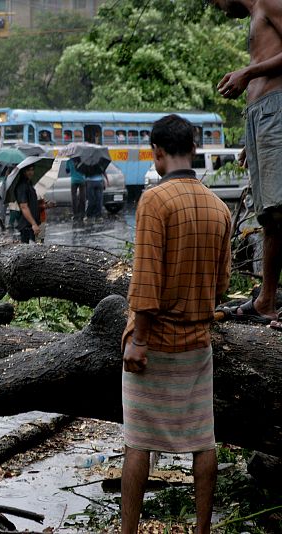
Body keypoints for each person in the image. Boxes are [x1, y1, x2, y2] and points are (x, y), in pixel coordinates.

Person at [121, 114, 231, 534]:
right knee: (203, 441)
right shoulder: (219, 207)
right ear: (195, 150)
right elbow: (220, 286)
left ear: (158, 154)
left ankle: (129, 531)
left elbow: (146, 279)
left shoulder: (155, 200)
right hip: (197, 343)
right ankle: (202, 529)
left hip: (156, 344)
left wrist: (139, 340)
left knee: (138, 443)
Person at [211, 0, 282, 322]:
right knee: (270, 214)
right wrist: (251, 141)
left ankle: (268, 299)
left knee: (280, 210)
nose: (217, 7)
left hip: (275, 111)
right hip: (263, 118)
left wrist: (248, 72)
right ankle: (266, 298)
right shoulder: (256, 15)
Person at [13, 159, 41, 243]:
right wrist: (33, 224)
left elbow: (31, 204)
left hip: (31, 224)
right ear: (23, 171)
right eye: (28, 170)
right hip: (27, 226)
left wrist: (45, 205)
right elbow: (24, 207)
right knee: (28, 252)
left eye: (32, 170)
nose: (31, 172)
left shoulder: (29, 184)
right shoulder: (22, 186)